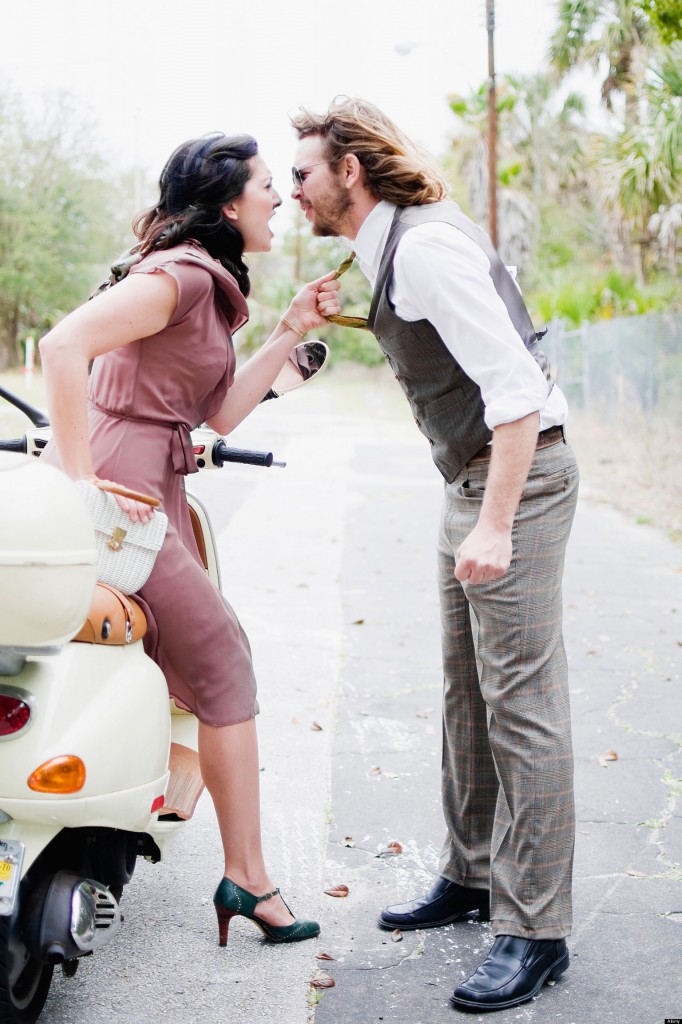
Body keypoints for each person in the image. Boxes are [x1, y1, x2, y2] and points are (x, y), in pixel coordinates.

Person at [290, 97, 579, 1012]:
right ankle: (472, 874)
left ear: (350, 172)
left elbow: (517, 389)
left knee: (521, 705)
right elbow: (430, 334)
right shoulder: (392, 253)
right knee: (467, 691)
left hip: (515, 485)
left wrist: (495, 523)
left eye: (302, 172)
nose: (291, 188)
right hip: (474, 482)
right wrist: (354, 321)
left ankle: (536, 932)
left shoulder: (424, 246)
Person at [38, 132, 340, 947]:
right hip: (123, 488)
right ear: (228, 204)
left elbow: (217, 417)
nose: (280, 198)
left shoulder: (207, 288)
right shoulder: (176, 277)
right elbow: (61, 348)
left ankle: (158, 832)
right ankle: (246, 877)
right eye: (270, 186)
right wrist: (79, 488)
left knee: (197, 654)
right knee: (220, 653)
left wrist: (289, 328)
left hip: (156, 480)